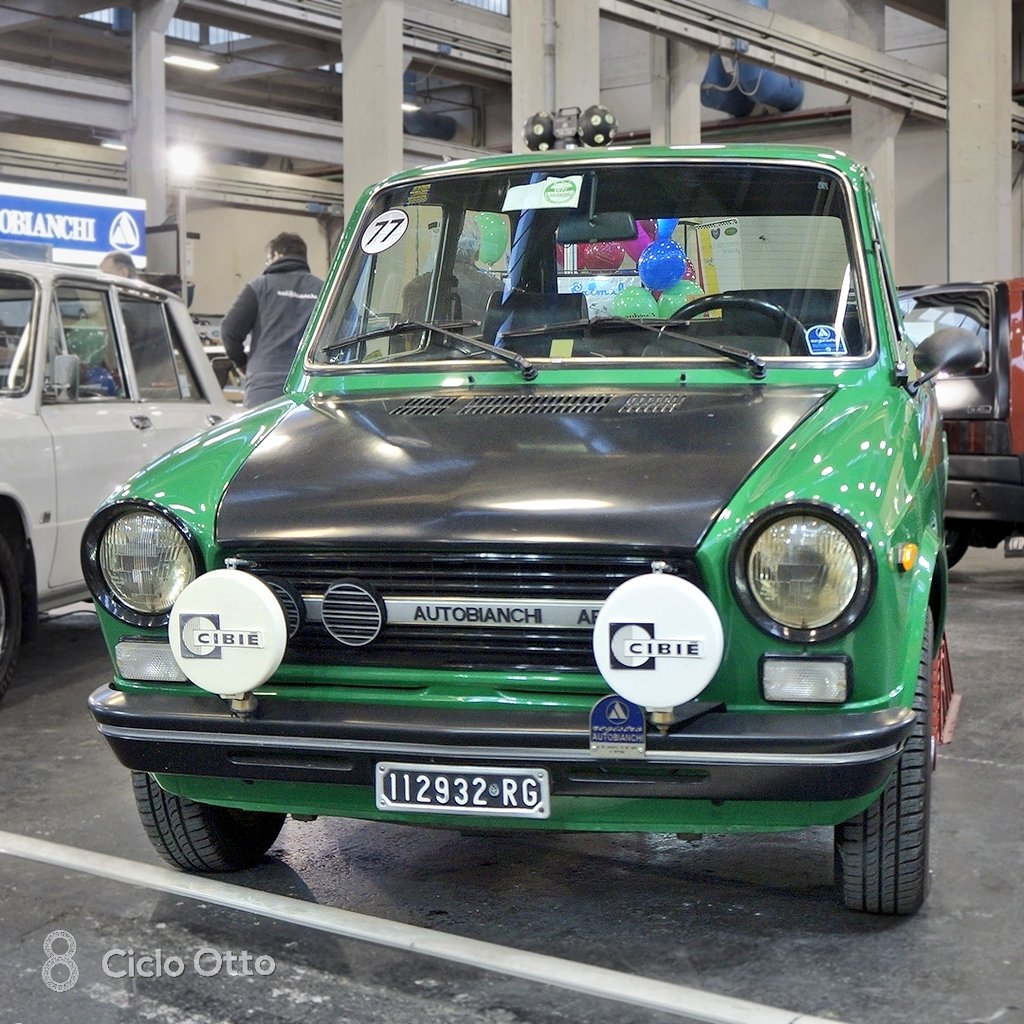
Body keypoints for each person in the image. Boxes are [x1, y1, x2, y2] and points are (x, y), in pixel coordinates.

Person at [220, 232, 323, 408]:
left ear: (277, 254)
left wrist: (241, 363)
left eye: (268, 259)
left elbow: (229, 331)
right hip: (309, 391)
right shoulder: (324, 290)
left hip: (263, 391)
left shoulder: (259, 287)